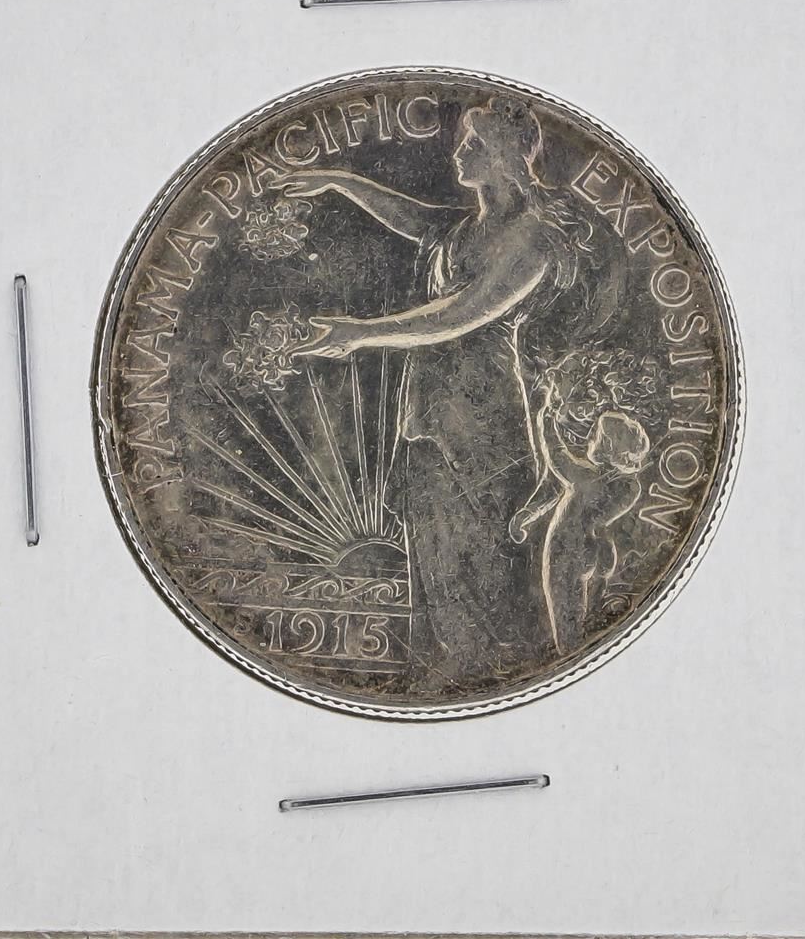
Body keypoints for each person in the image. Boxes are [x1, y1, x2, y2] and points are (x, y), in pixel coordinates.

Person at [272, 98, 602, 688]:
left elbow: (460, 313)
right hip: (427, 415)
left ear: (505, 155)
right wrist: (340, 180)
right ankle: (443, 679)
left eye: (474, 143)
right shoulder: (466, 229)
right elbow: (413, 218)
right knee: (434, 560)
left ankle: (495, 682)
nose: (459, 152)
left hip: (484, 428)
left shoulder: (532, 237)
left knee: (483, 570)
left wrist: (359, 334)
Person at [533, 390, 651, 653]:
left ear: (606, 447)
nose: (588, 438)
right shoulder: (630, 487)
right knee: (588, 621)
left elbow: (557, 455)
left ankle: (568, 654)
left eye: (595, 435)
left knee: (567, 622)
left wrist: (546, 417)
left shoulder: (588, 478)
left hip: (570, 547)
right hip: (600, 550)